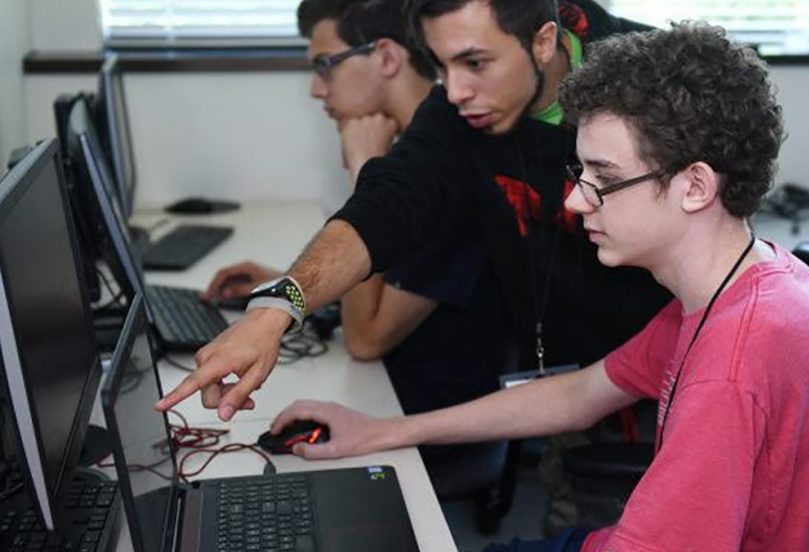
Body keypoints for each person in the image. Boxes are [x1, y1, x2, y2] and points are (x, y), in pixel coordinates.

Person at [261, 24, 809, 551]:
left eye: (602, 178)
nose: (574, 200)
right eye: (580, 172)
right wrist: (381, 431)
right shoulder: (750, 281)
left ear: (695, 186)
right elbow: (579, 394)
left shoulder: (731, 367)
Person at [158, 0, 669, 429]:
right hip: (567, 398)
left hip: (674, 376)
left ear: (542, 41)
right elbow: (386, 204)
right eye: (441, 65)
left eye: (475, 63)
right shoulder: (457, 111)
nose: (455, 90)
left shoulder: (653, 81)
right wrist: (276, 308)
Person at [201, 0, 513, 428]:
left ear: (386, 57)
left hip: (431, 423)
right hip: (392, 395)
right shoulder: (419, 152)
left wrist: (364, 169)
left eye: (326, 65)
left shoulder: (443, 170)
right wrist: (292, 290)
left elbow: (366, 338)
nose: (317, 89)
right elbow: (389, 282)